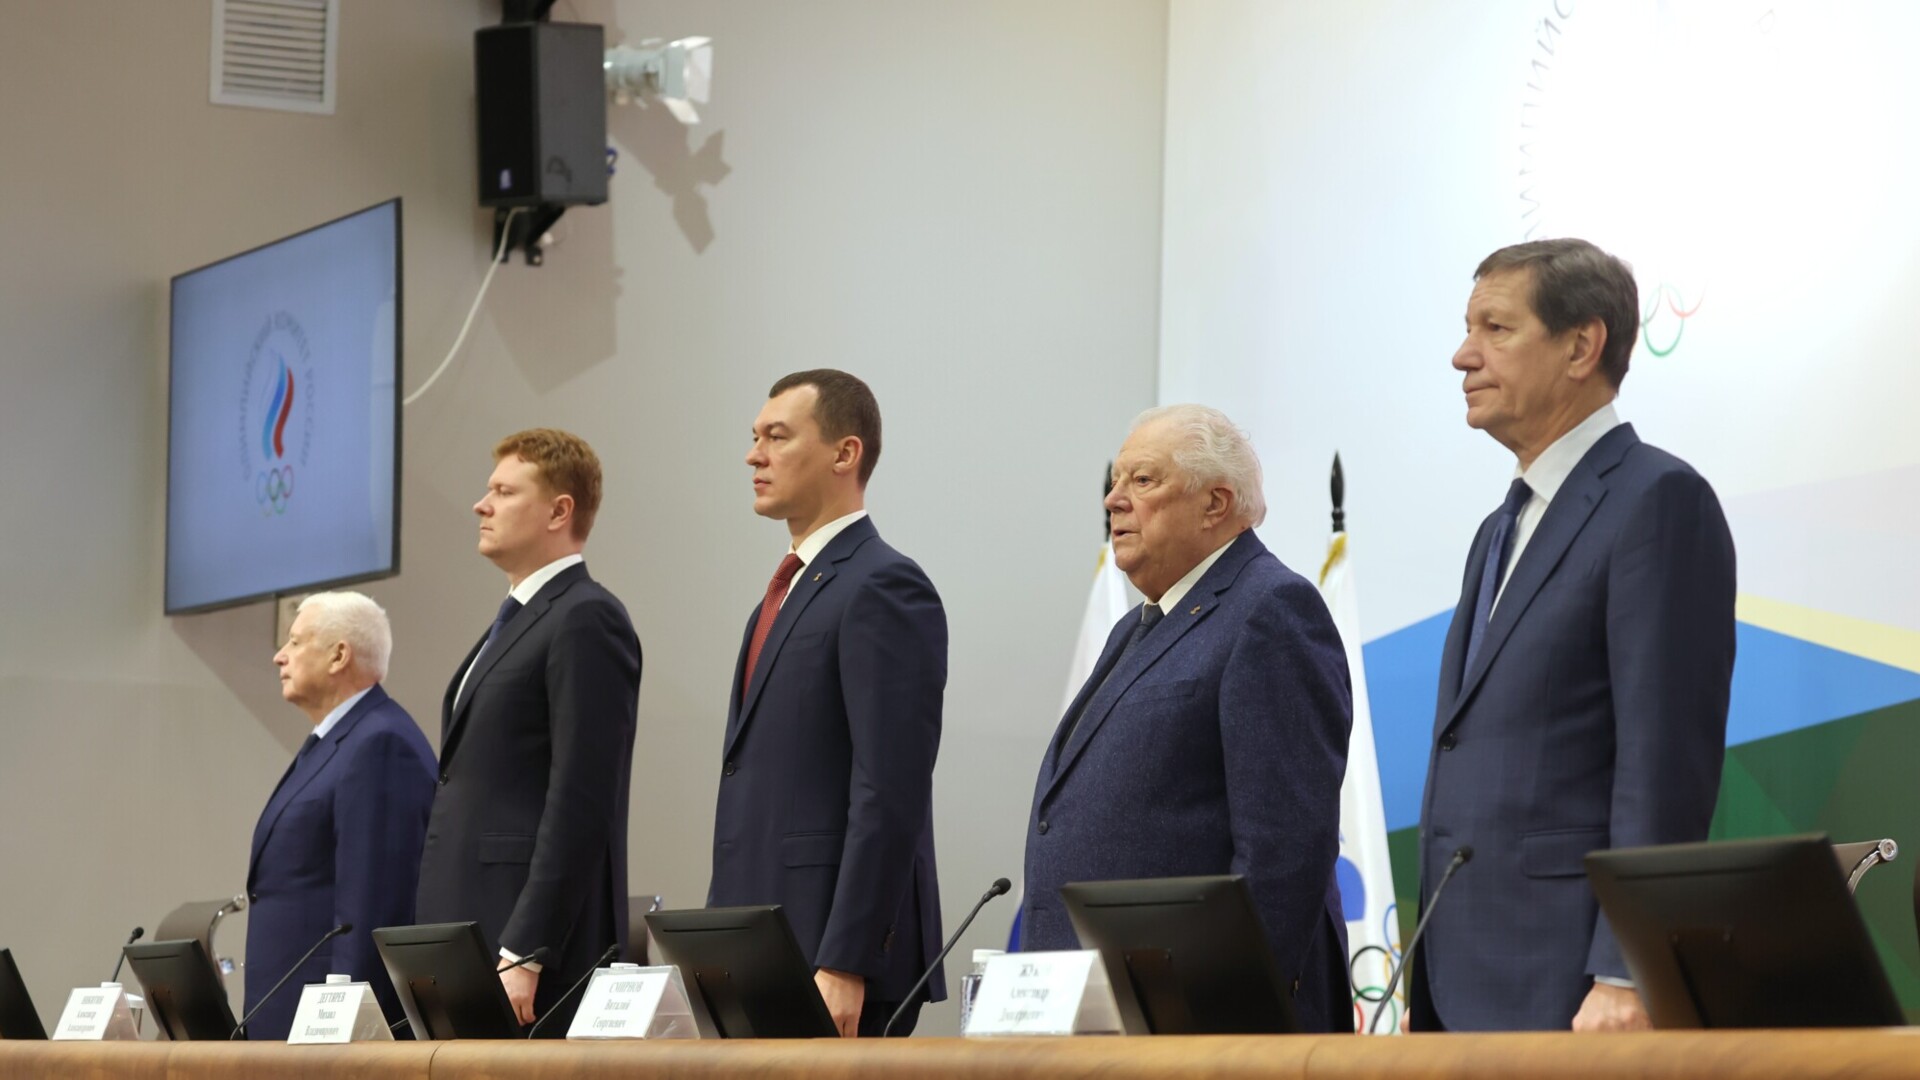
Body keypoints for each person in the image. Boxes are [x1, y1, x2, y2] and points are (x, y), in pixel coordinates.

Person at [1411, 238, 1736, 1032]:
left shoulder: (1658, 501)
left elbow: (1664, 762)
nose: (1463, 355)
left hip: (1572, 985)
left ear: (1582, 346)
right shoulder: (1498, 529)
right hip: (1459, 978)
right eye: (1467, 329)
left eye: (1495, 328)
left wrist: (1629, 969)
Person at [1020, 404, 1354, 1034]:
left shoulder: (1271, 609)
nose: (1114, 499)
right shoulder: (1135, 627)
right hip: (1108, 1010)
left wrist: (1225, 1011)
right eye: (1116, 481)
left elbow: (1285, 845)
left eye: (1143, 480)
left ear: (1215, 503)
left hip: (1202, 1021)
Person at [707, 370, 947, 1038]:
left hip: (831, 957)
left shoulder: (884, 585)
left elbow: (889, 789)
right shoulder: (781, 596)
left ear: (845, 453)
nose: (753, 455)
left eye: (777, 437)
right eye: (754, 437)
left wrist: (848, 958)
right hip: (760, 945)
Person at [414, 428, 642, 1035]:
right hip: (467, 932)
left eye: (503, 492)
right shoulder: (516, 623)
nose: (480, 505)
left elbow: (581, 798)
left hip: (526, 954)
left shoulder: (586, 616)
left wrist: (527, 948)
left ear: (559, 511)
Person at [244, 590, 435, 1040]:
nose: (279, 656)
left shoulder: (381, 743)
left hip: (327, 1032)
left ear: (339, 655)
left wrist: (344, 1033)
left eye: (295, 642)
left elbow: (372, 907)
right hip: (285, 1016)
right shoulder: (336, 742)